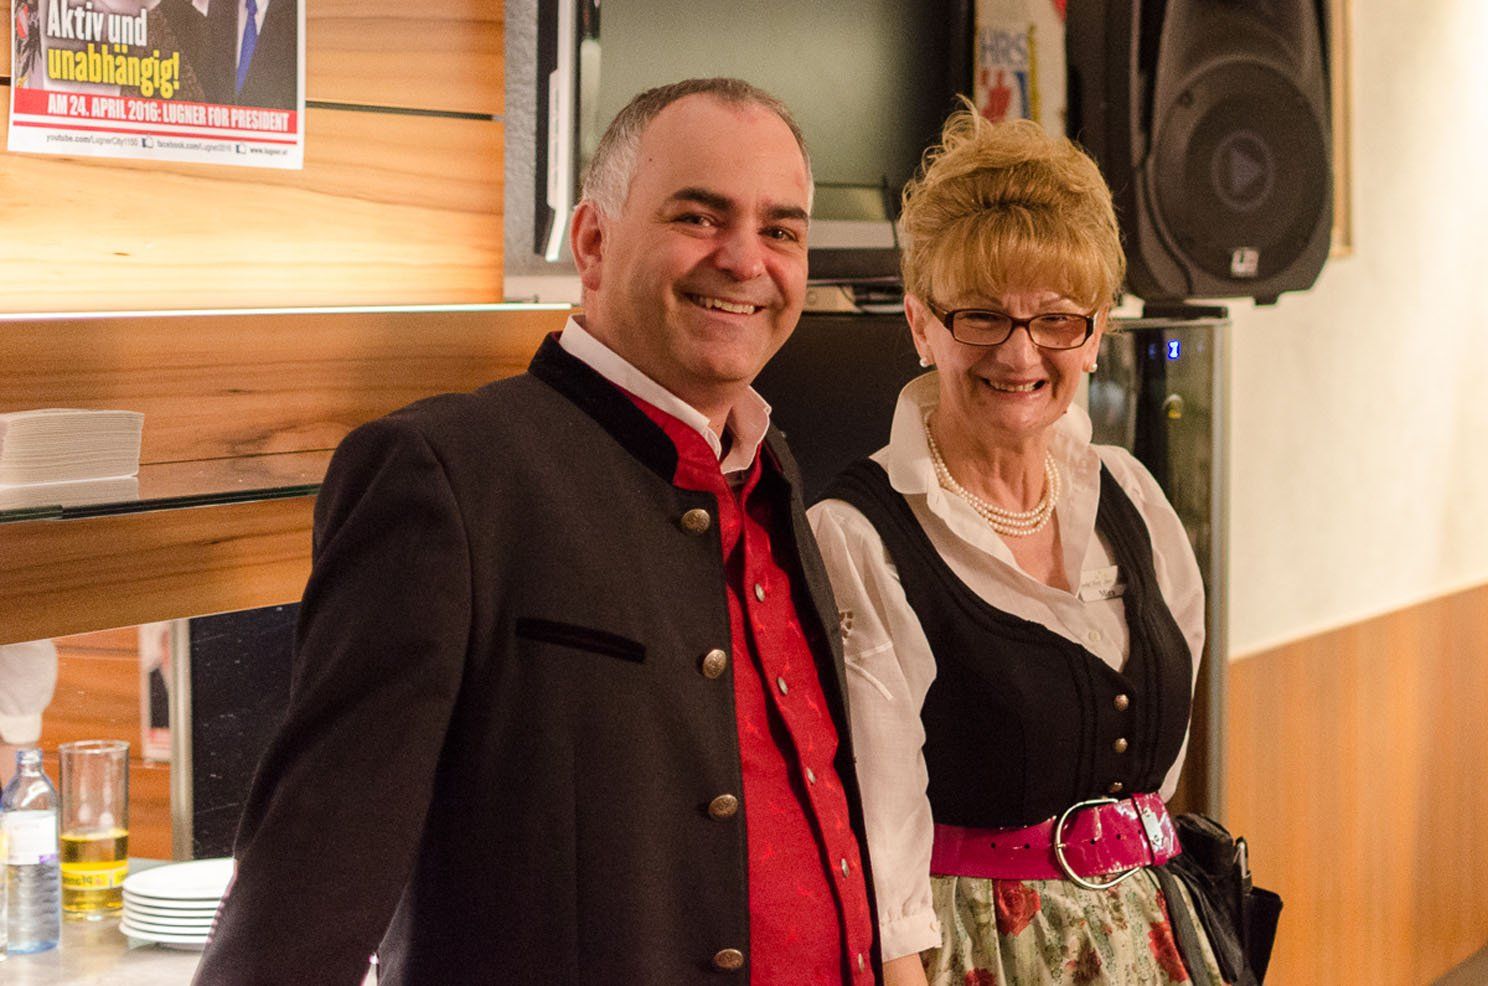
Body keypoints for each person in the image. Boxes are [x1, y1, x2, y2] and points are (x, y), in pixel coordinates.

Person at [193, 78, 879, 985]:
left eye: (781, 231)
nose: (746, 260)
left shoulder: (770, 464)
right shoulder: (447, 473)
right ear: (591, 242)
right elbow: (305, 897)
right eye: (699, 217)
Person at [808, 108, 1224, 986]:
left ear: (1096, 334)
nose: (1020, 353)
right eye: (982, 316)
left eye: (1057, 320)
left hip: (1155, 933)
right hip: (982, 951)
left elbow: (1163, 763)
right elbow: (880, 832)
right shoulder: (859, 534)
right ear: (921, 325)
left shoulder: (1133, 495)